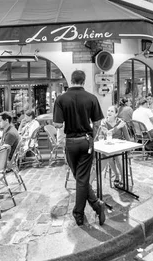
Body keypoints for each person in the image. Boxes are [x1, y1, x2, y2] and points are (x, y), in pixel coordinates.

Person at [53, 70, 106, 226]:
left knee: (80, 178)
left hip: (70, 142)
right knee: (81, 179)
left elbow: (57, 124)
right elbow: (97, 123)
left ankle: (79, 213)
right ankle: (96, 205)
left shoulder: (61, 99)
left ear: (71, 80)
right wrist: (92, 138)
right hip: (86, 141)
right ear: (84, 81)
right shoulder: (91, 98)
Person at [95, 106, 131, 187]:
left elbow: (127, 137)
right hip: (109, 146)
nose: (109, 112)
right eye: (108, 110)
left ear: (116, 114)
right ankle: (117, 175)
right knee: (109, 157)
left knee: (118, 158)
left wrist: (129, 150)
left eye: (112, 111)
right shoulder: (104, 122)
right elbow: (108, 133)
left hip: (119, 146)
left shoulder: (121, 122)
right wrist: (118, 127)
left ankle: (123, 177)